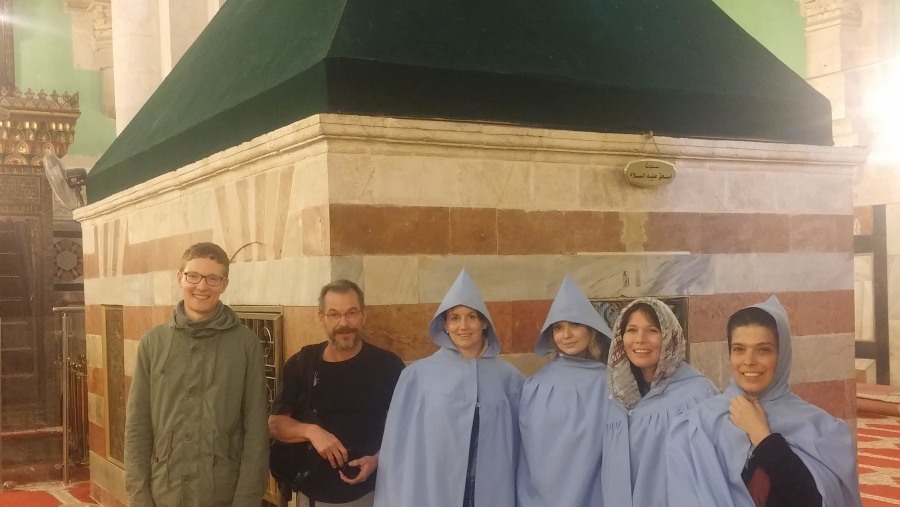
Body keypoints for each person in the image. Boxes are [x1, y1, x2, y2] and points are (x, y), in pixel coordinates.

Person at [667, 295, 863, 507]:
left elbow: (812, 501)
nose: (749, 361)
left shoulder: (822, 429)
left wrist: (764, 438)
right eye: (739, 349)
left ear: (782, 355)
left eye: (763, 350)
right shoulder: (700, 423)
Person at [124, 242, 269, 507]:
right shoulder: (153, 343)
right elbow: (137, 426)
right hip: (164, 493)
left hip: (222, 494)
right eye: (193, 276)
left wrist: (246, 500)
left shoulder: (245, 344)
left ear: (224, 284)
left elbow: (256, 430)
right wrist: (139, 496)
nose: (202, 286)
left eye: (213, 278)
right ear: (180, 278)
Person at [374, 268, 525, 507]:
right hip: (435, 493)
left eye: (472, 316)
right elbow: (398, 450)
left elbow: (522, 450)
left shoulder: (510, 379)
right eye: (454, 318)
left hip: (491, 493)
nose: (463, 326)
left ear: (484, 322)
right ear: (444, 324)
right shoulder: (417, 377)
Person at [268, 279, 405, 507]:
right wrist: (311, 432)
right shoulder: (302, 363)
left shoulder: (388, 367)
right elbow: (276, 424)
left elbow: (409, 429)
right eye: (334, 314)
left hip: (375, 495)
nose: (344, 323)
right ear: (321, 317)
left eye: (351, 313)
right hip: (313, 496)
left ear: (363, 315)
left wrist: (379, 460)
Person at [601, 297, 717, 507]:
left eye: (652, 330)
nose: (640, 339)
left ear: (669, 336)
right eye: (632, 330)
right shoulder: (616, 395)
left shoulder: (698, 395)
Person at [516, 276, 613, 507]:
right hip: (541, 495)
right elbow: (529, 453)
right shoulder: (537, 384)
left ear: (592, 330)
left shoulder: (610, 383)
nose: (566, 335)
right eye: (558, 328)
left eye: (575, 325)